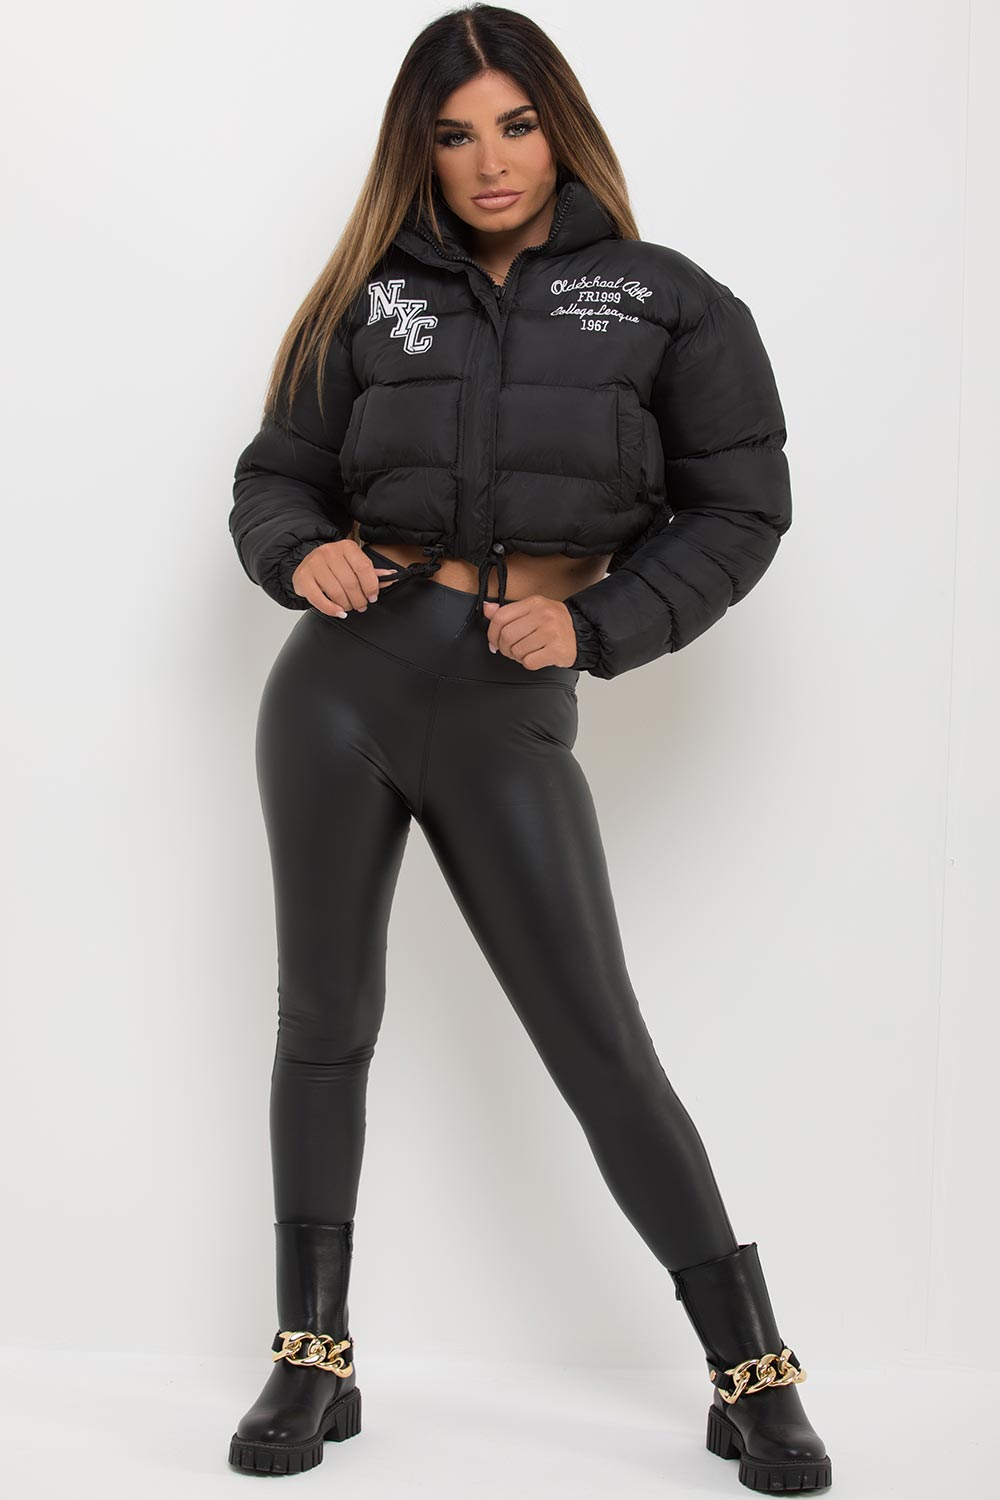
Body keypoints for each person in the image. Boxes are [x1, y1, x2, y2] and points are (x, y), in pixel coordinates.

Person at [225, 5, 832, 1490]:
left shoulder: (668, 302)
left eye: (514, 124)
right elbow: (276, 476)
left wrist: (601, 623)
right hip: (344, 683)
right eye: (453, 134)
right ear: (417, 151)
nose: (489, 161)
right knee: (325, 1022)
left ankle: (751, 1371)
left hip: (509, 695)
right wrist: (299, 552)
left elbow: (741, 510)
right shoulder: (365, 301)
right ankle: (311, 1353)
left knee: (597, 1040)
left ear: (560, 129)